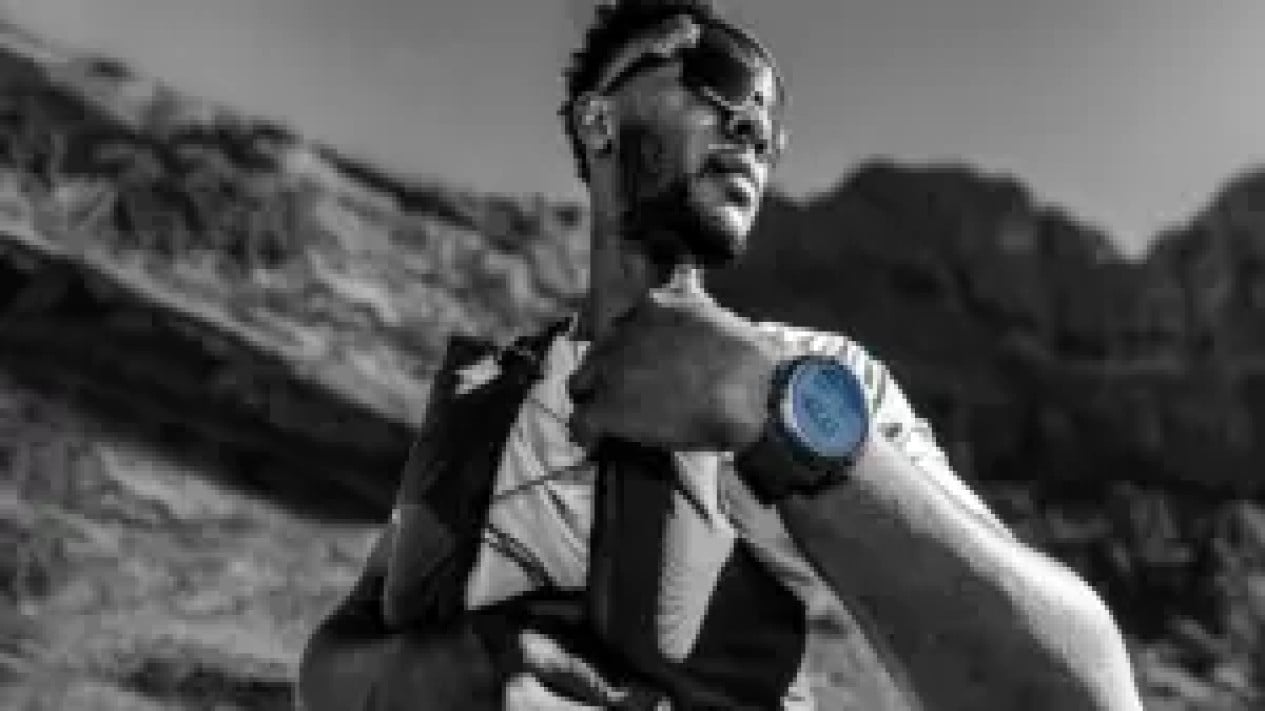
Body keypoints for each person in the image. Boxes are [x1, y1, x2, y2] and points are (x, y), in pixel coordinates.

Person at [297, 1, 1144, 708]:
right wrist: (453, 670)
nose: (752, 126)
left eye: (770, 126)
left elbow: (1083, 693)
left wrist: (769, 407)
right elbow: (330, 662)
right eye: (720, 77)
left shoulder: (811, 380)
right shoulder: (489, 395)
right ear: (598, 119)